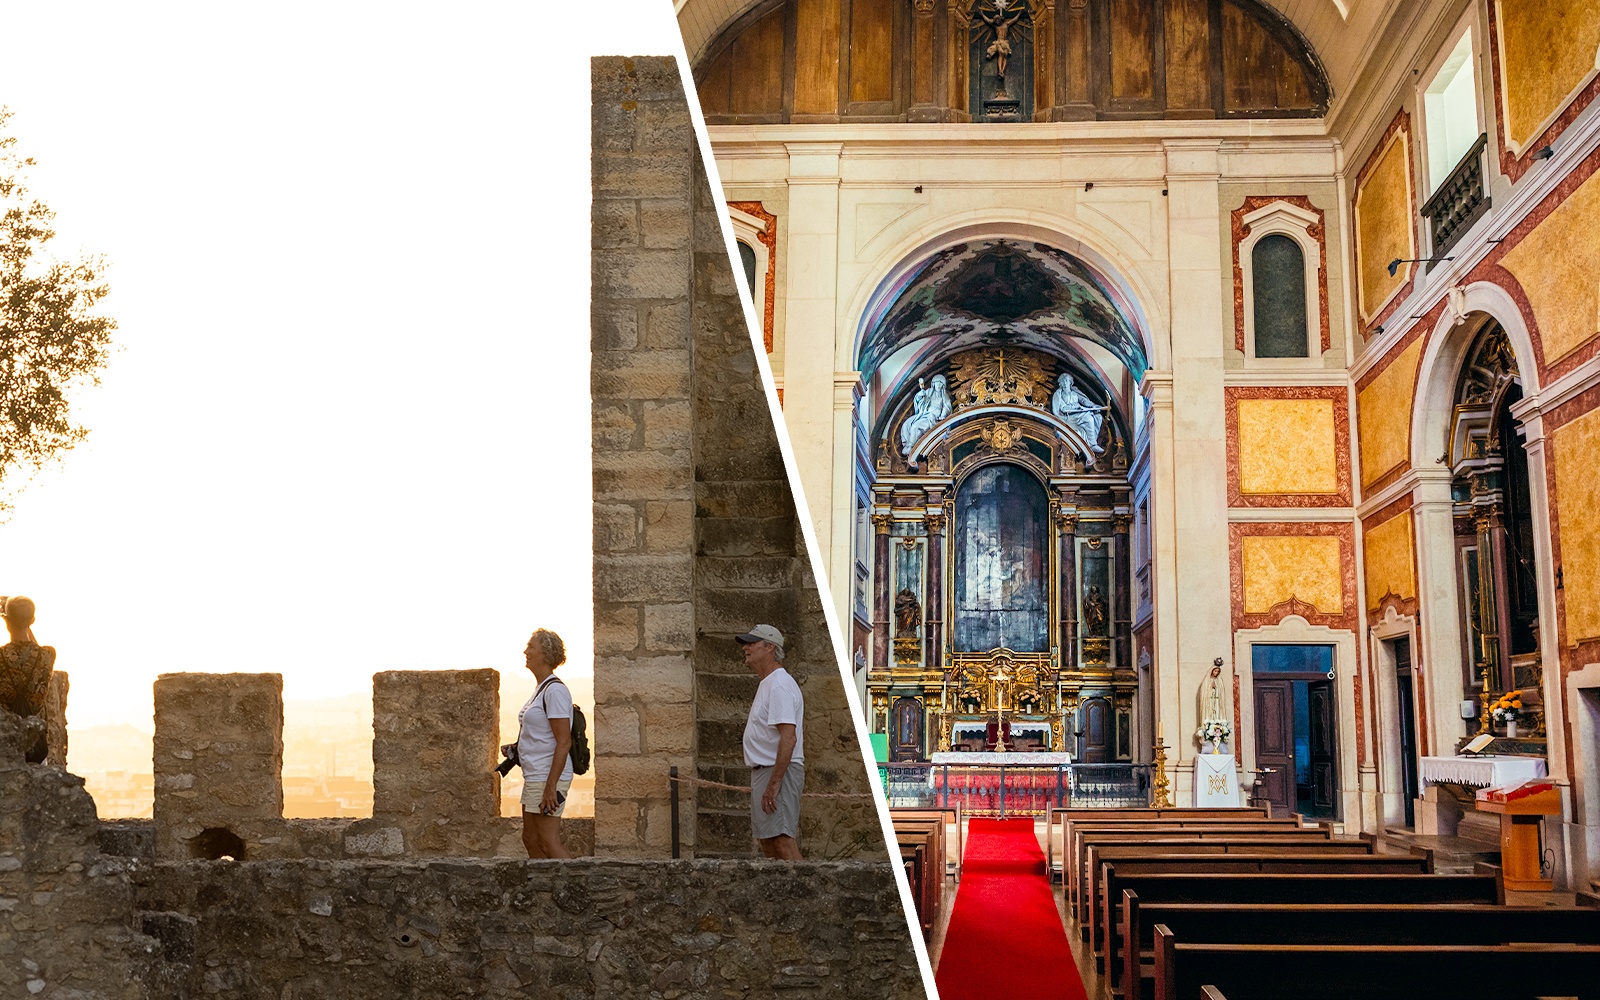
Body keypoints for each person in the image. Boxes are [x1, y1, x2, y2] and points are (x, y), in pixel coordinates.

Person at [737, 623, 804, 860]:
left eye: (752, 643)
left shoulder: (779, 684)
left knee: (782, 840)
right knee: (769, 840)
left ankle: (805, 895)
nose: (746, 648)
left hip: (777, 772)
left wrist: (774, 784)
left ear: (770, 648)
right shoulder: (768, 683)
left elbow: (789, 737)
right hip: (766, 770)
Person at [513, 628, 573, 859]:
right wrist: (516, 747)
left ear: (545, 654)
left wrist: (551, 787)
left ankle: (577, 889)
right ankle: (543, 890)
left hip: (547, 776)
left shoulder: (555, 691)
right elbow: (542, 735)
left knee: (548, 842)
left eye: (531, 647)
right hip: (536, 774)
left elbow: (564, 742)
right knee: (531, 839)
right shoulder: (540, 689)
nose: (525, 651)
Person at [0, 596, 55, 764]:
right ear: (33, 620)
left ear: (6, 620)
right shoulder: (47, 655)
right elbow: (35, 650)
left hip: (5, 740)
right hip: (36, 744)